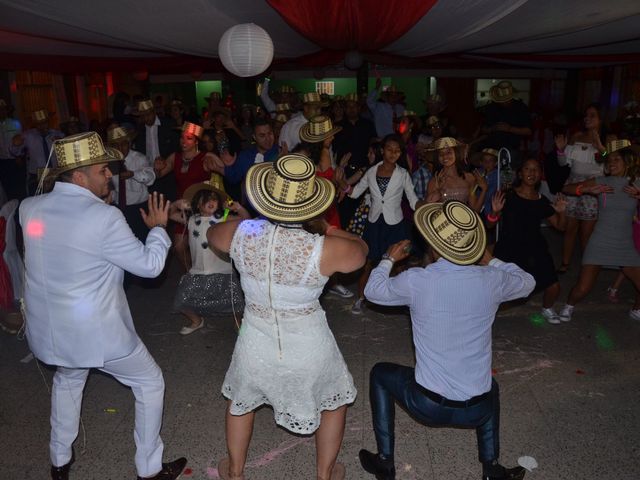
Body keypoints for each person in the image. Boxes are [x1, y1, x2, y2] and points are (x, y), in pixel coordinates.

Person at [19, 132, 186, 480]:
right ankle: (149, 468)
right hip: (96, 334)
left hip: (51, 332)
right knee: (150, 383)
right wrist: (157, 229)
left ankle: (59, 461)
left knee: (68, 381)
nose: (109, 174)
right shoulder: (104, 217)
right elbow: (150, 267)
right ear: (79, 177)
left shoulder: (29, 207)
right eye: (101, 170)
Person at [207, 154, 368, 480]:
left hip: (255, 342)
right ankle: (324, 474)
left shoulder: (242, 232)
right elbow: (362, 252)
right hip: (309, 346)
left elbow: (213, 235)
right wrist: (330, 230)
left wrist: (250, 221)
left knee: (241, 402)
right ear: (311, 203)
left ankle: (235, 472)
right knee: (332, 403)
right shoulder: (323, 246)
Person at [360, 200, 535, 480]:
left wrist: (388, 259)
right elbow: (527, 282)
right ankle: (491, 469)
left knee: (380, 373)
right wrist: (490, 259)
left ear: (433, 245)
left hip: (427, 405)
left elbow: (372, 291)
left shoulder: (418, 280)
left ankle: (384, 461)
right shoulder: (492, 279)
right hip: (479, 409)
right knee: (491, 387)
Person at [558, 140, 640, 322]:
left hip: (625, 245)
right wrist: (585, 189)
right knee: (582, 288)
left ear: (627, 162)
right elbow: (565, 188)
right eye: (609, 160)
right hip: (600, 242)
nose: (611, 162)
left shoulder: (637, 183)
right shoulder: (602, 181)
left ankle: (636, 309)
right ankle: (568, 306)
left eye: (616, 159)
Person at [348, 134, 420, 315]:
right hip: (374, 223)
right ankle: (362, 298)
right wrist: (342, 184)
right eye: (389, 149)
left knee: (399, 263)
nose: (393, 153)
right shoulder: (371, 171)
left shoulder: (403, 174)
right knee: (368, 262)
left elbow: (412, 199)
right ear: (382, 150)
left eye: (397, 150)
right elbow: (355, 193)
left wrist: (424, 207)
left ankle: (400, 300)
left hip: (395, 222)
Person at [490, 159, 568, 323]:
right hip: (509, 247)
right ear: (520, 173)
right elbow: (490, 224)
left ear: (540, 175)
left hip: (535, 248)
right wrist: (495, 212)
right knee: (498, 289)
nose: (531, 173)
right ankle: (485, 313)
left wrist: (561, 212)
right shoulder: (508, 195)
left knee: (554, 286)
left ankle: (547, 308)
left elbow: (561, 227)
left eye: (536, 170)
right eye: (527, 169)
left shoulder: (542, 200)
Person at [172, 179, 248, 335]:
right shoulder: (191, 220)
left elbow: (245, 220)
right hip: (197, 271)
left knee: (235, 304)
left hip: (222, 270)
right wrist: (176, 204)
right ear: (197, 205)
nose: (211, 201)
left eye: (214, 198)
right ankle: (196, 321)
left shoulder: (223, 219)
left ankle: (238, 322)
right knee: (181, 301)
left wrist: (238, 208)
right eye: (206, 199)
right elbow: (171, 214)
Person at [554, 104, 607, 274]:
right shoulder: (576, 136)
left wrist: (600, 147)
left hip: (592, 185)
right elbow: (563, 163)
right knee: (570, 228)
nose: (587, 118)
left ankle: (587, 267)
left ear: (600, 119)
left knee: (586, 233)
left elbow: (607, 162)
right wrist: (561, 151)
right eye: (586, 115)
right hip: (572, 184)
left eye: (592, 115)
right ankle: (565, 262)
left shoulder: (608, 139)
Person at [107, 125, 156, 242]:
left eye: (123, 144)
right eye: (116, 145)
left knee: (143, 240)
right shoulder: (109, 162)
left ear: (129, 143)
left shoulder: (139, 159)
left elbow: (151, 178)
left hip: (139, 209)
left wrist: (133, 174)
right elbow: (111, 189)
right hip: (119, 209)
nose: (120, 148)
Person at [426, 137, 488, 212]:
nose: (444, 156)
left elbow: (475, 209)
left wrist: (484, 189)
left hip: (464, 222)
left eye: (448, 152)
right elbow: (429, 210)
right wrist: (438, 190)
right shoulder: (435, 181)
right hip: (444, 222)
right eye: (441, 153)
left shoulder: (469, 178)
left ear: (456, 153)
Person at [10, 109, 64, 196]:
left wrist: (61, 143)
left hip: (55, 174)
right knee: (38, 203)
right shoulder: (28, 136)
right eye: (39, 123)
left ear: (48, 122)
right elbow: (15, 152)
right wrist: (16, 145)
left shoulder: (57, 134)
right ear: (35, 124)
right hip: (36, 176)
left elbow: (65, 154)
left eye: (44, 122)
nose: (42, 125)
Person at [480, 81, 532, 170]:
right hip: (491, 150)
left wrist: (510, 129)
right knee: (490, 177)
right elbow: (483, 129)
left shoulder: (520, 107)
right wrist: (493, 128)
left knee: (508, 178)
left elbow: (528, 131)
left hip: (511, 150)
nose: (504, 101)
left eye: (506, 99)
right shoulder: (491, 107)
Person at [0, 99, 23, 200]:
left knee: (18, 188)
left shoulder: (15, 123)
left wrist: (19, 156)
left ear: (7, 110)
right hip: (2, 162)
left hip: (15, 160)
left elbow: (22, 142)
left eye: (3, 109)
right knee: (7, 189)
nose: (1, 112)